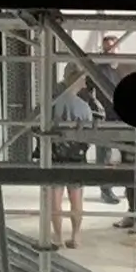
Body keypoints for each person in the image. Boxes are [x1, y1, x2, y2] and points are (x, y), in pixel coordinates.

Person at [47, 64, 93, 249]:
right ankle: (75, 236)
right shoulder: (84, 106)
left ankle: (57, 237)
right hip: (76, 156)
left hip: (55, 155)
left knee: (55, 199)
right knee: (76, 198)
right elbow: (90, 135)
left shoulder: (51, 103)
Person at [86, 36, 125, 206]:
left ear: (118, 49)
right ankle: (106, 190)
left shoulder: (125, 68)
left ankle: (130, 187)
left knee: (129, 154)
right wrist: (95, 107)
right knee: (104, 156)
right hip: (105, 118)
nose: (108, 51)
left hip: (124, 117)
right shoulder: (98, 69)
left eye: (112, 47)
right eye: (106, 48)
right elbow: (87, 90)